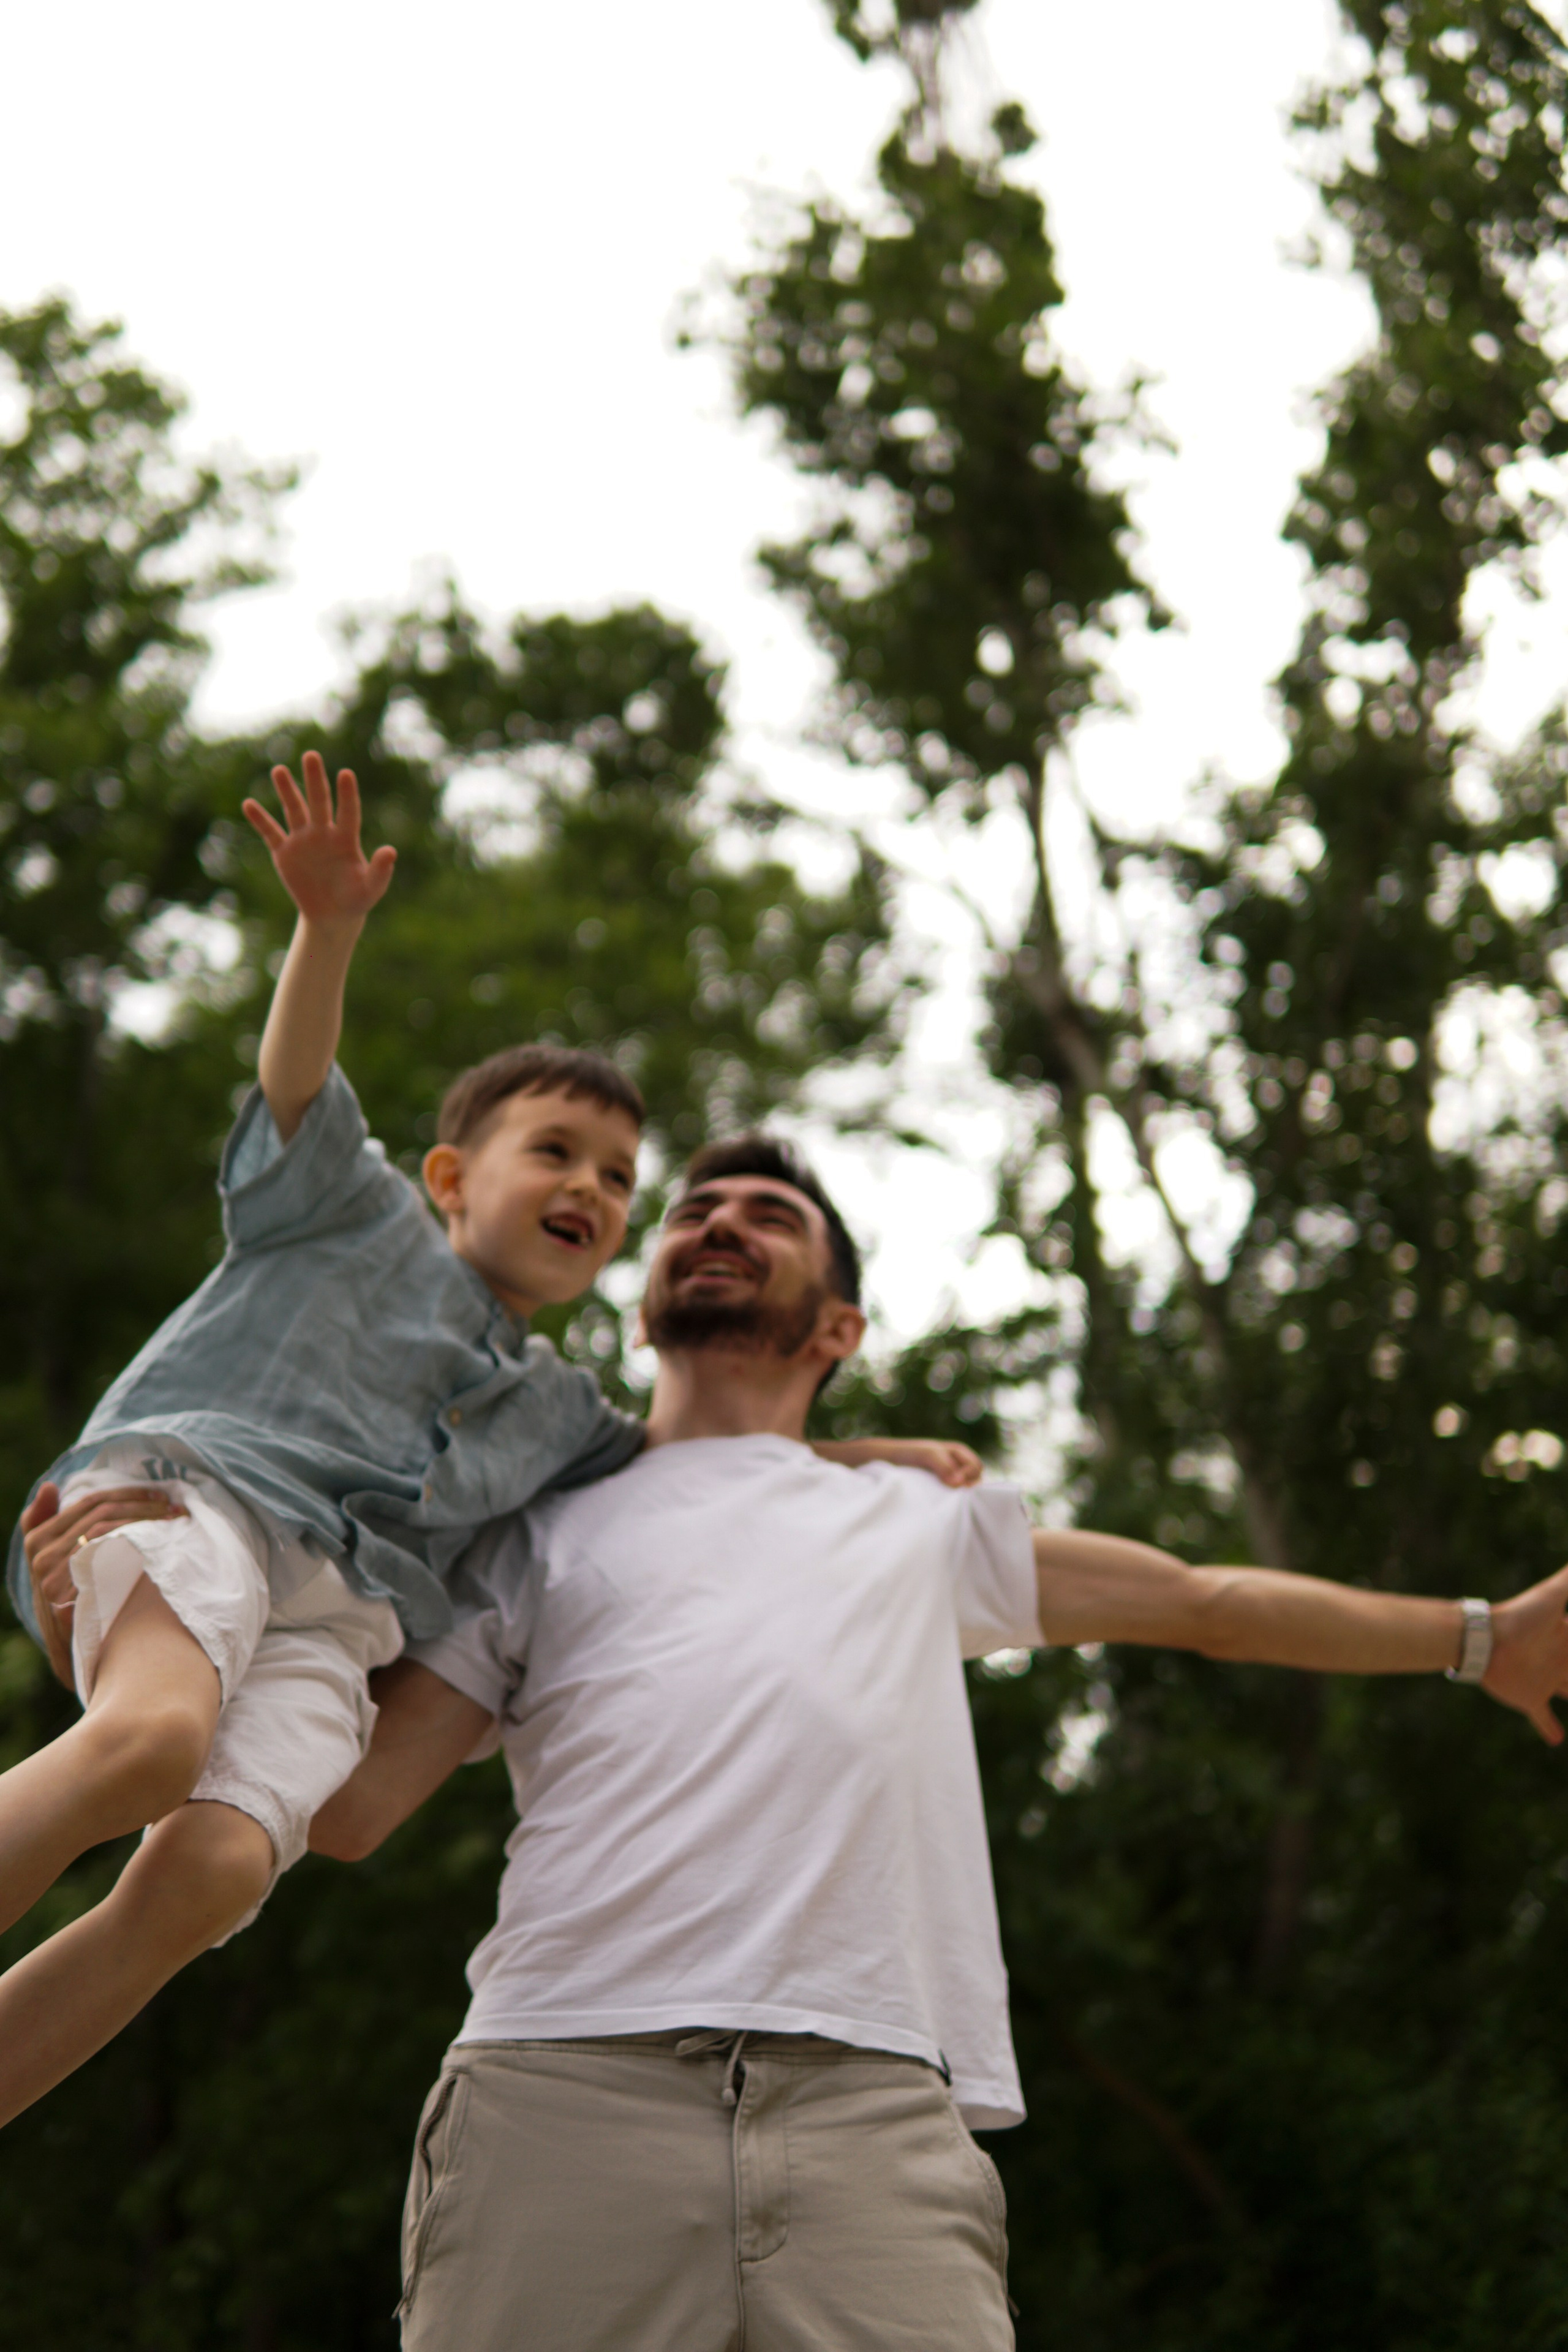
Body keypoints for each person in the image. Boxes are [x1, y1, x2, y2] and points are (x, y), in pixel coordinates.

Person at [35, 1131, 1563, 2351]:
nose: (717, 1221)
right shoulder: (527, 1530)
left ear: (835, 1322)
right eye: (697, 1208)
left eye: (767, 1215)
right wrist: (138, 1608)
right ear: (639, 1303)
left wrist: (1481, 1637)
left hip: (872, 2117)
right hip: (558, 2098)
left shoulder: (917, 1516)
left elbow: (1206, 1602)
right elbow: (354, 1805)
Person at [0, 755, 961, 2132]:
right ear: (454, 1178)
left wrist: (867, 1458)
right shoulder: (355, 1212)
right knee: (153, 1743)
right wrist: (326, 930)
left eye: (618, 1180)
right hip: (199, 1497)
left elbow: (707, 1459)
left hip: (333, 1628)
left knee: (210, 1875)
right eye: (557, 1152)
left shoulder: (561, 1417)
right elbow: (296, 1076)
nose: (590, 1186)